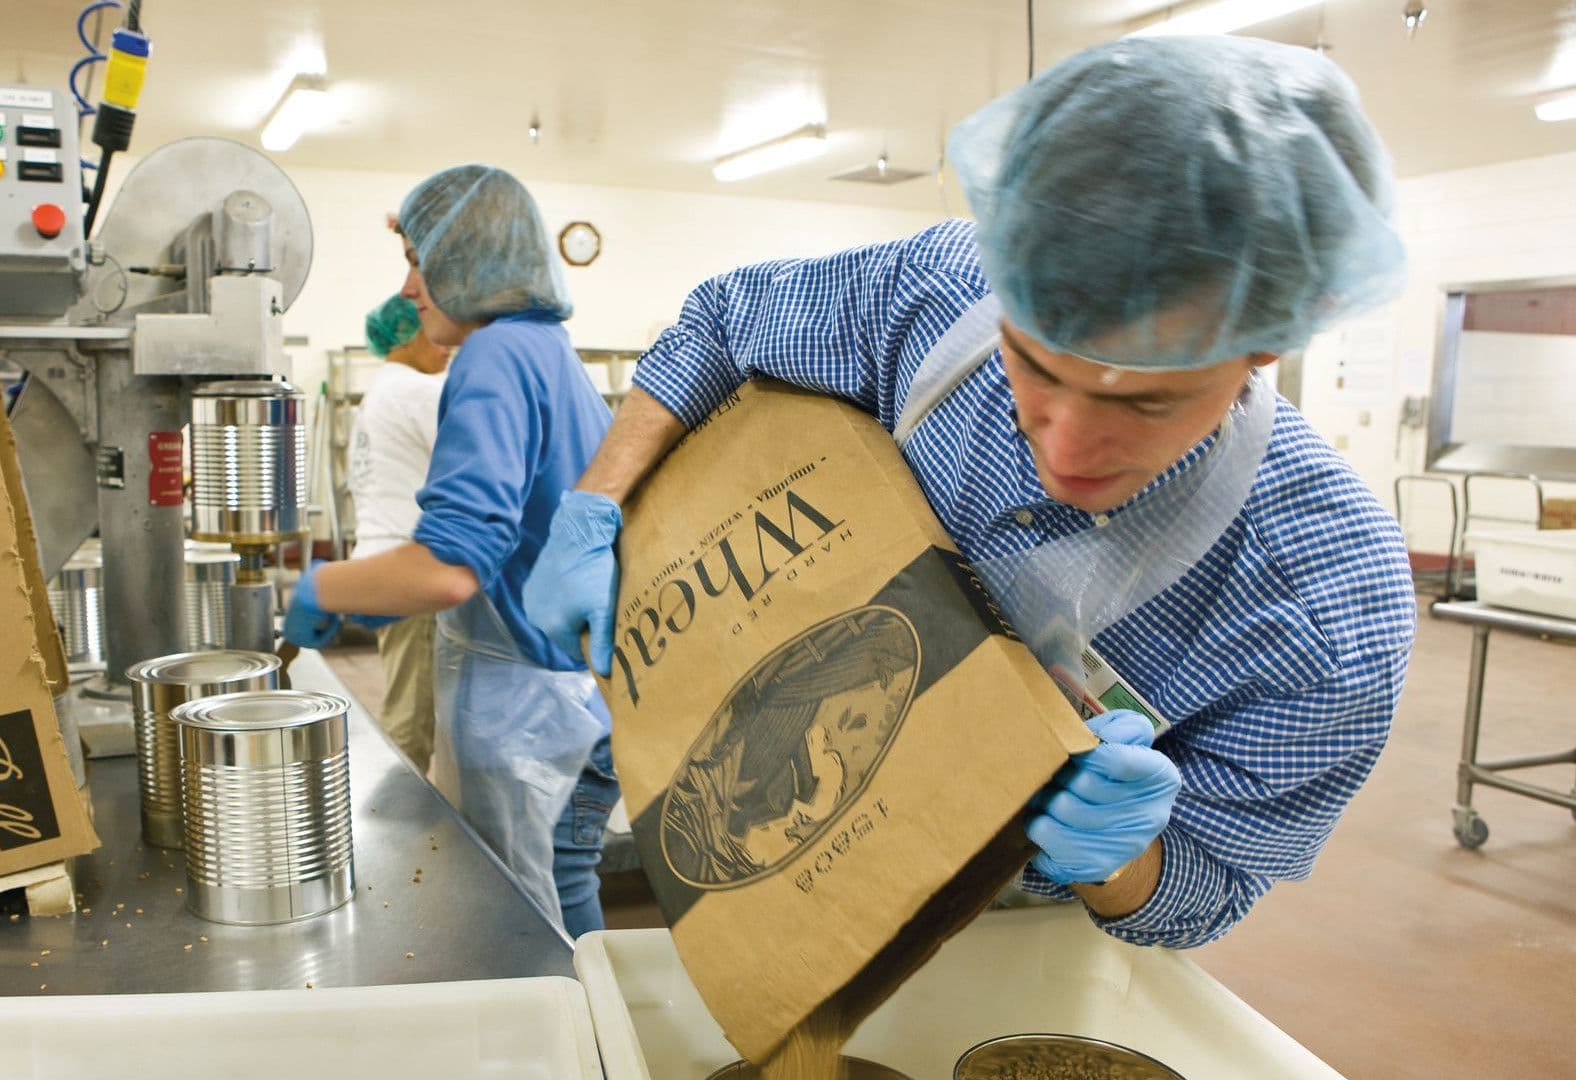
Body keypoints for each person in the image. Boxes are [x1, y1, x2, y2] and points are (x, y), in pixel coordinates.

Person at [523, 36, 1417, 949]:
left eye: (1147, 402)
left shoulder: (1327, 608)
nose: (1065, 447)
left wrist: (1108, 852)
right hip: (773, 783)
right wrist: (597, 501)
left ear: (1270, 340)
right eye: (1032, 365)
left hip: (1003, 922)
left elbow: (1205, 892)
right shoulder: (939, 295)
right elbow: (724, 324)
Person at [283, 165, 618, 937]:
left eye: (418, 260)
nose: (408, 289)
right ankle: (599, 1044)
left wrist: (323, 587)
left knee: (519, 916)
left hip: (527, 709)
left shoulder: (494, 356)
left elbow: (448, 567)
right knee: (566, 881)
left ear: (472, 260)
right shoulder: (550, 350)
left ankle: (552, 1052)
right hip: (584, 696)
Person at [347, 294, 451, 772]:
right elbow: (476, 463)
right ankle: (395, 832)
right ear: (409, 334)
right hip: (409, 567)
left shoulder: (378, 394)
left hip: (377, 564)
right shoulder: (416, 392)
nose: (446, 345)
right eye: (434, 329)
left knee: (406, 698)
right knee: (411, 718)